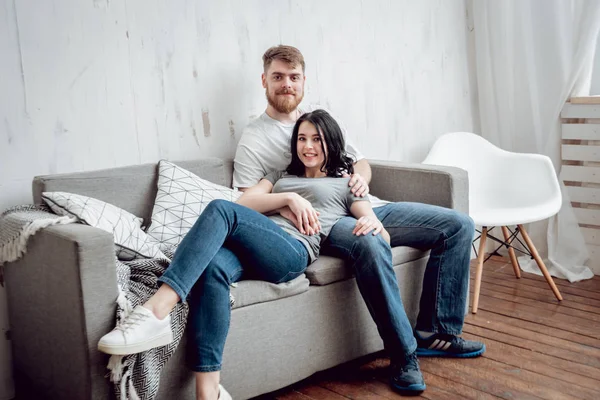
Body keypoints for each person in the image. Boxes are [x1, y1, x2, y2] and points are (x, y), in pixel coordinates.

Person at [233, 45, 486, 394]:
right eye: (278, 77)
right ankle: (403, 355)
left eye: (294, 77)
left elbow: (360, 163)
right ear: (264, 81)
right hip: (323, 219)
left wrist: (361, 181)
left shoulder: (320, 120)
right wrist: (290, 200)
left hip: (363, 203)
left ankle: (437, 332)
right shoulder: (255, 138)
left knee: (458, 225)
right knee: (368, 241)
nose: (286, 84)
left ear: (304, 81)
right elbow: (248, 201)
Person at [98, 109, 389, 400]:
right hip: (253, 244)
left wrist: (374, 224)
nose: (308, 146)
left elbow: (373, 224)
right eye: (302, 138)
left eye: (317, 139)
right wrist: (288, 198)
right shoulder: (280, 176)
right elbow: (245, 201)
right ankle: (208, 391)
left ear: (332, 143)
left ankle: (157, 309)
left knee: (219, 209)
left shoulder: (344, 183)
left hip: (292, 251)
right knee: (212, 267)